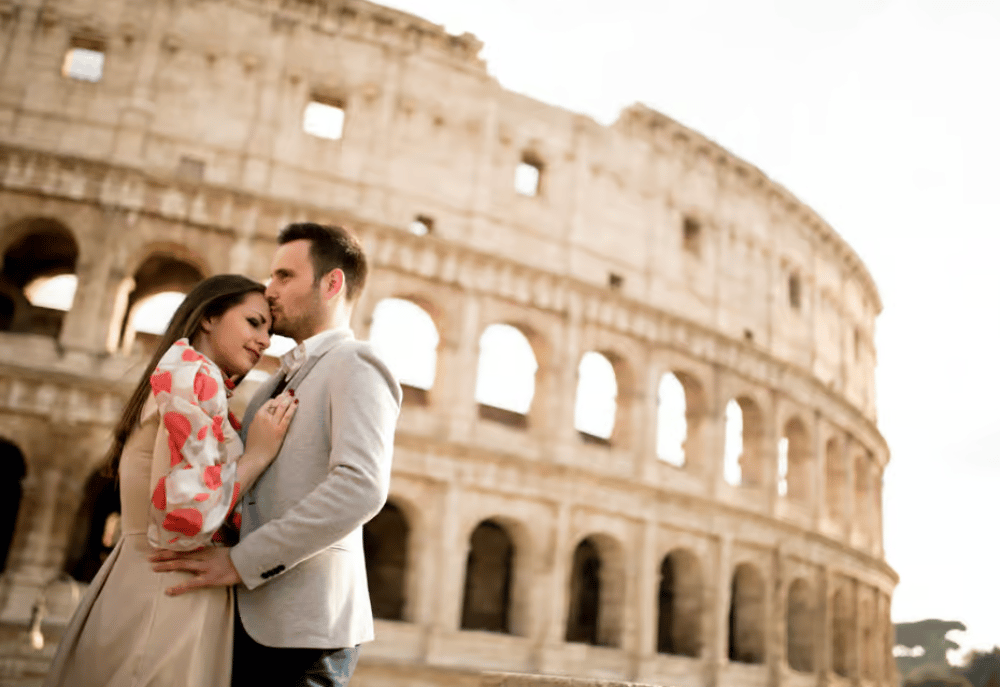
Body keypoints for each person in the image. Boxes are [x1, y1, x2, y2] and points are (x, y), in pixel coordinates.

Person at [150, 223, 402, 686]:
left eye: (285, 276)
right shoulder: (271, 382)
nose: (270, 290)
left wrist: (241, 562)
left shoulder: (357, 362)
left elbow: (361, 487)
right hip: (248, 618)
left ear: (332, 284)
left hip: (305, 630)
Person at [44, 274, 298, 687]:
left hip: (147, 585)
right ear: (208, 319)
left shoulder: (179, 374)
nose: (266, 340)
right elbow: (187, 518)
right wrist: (258, 455)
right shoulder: (196, 376)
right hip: (169, 596)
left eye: (269, 329)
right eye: (254, 322)